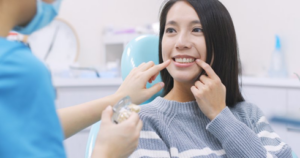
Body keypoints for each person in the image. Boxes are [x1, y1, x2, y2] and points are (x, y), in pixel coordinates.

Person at [0, 0, 171, 157]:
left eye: (196, 29)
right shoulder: (18, 70)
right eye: (171, 30)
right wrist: (106, 153)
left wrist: (119, 98)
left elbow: (36, 125)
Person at [129, 0, 293, 157]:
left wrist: (220, 116)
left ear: (221, 42)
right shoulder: (144, 121)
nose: (180, 43)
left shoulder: (249, 115)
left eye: (197, 30)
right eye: (171, 30)